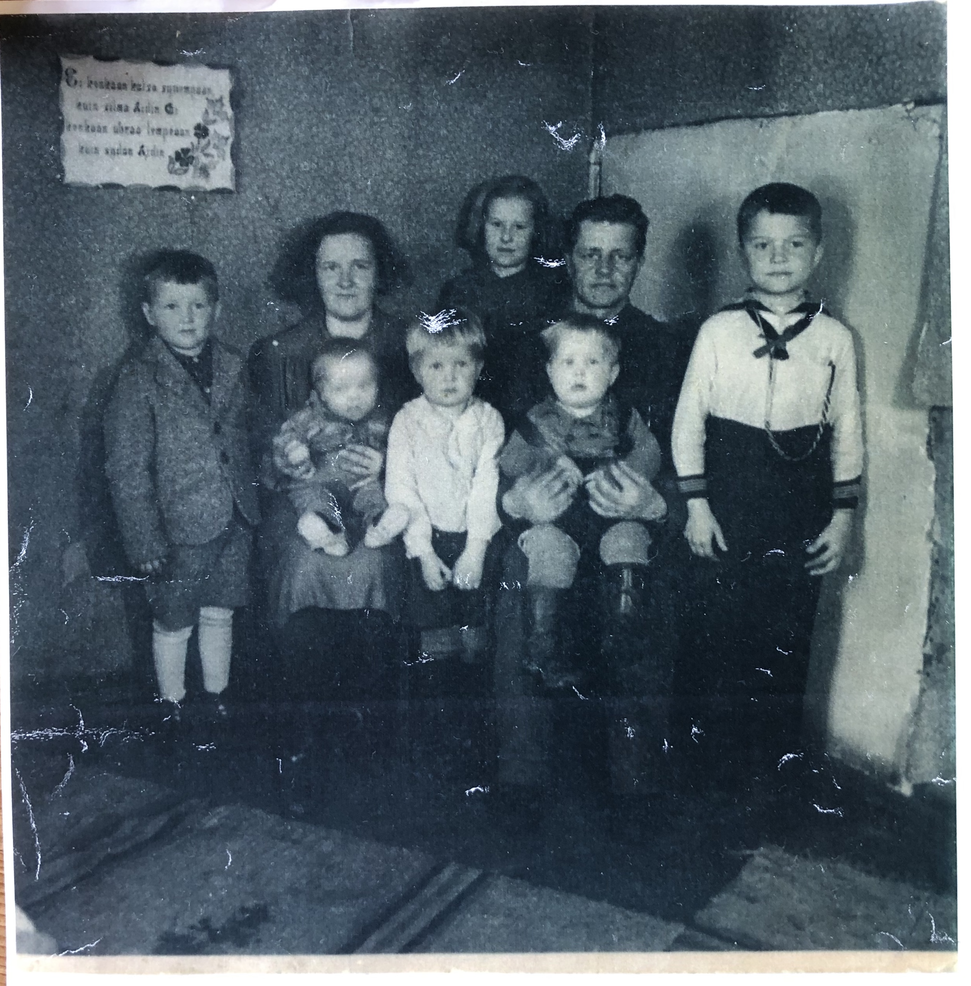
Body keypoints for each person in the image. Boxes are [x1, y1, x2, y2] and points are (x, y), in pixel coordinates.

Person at [492, 195, 692, 831]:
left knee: (644, 590)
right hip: (542, 516)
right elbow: (488, 445)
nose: (604, 269)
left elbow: (688, 452)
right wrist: (513, 503)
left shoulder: (664, 347)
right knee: (522, 576)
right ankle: (521, 778)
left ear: (638, 262)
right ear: (568, 257)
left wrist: (656, 504)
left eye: (620, 256)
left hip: (628, 517)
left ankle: (636, 783)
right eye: (589, 254)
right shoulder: (531, 343)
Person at [671, 182, 863, 824]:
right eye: (762, 245)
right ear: (743, 253)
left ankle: (770, 780)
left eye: (794, 245)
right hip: (729, 499)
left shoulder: (834, 339)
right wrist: (697, 506)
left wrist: (842, 517)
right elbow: (688, 421)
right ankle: (709, 779)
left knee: (785, 640)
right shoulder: (719, 331)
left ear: (818, 253)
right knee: (718, 635)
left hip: (799, 504)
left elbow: (849, 429)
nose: (778, 258)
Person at [248, 214, 410, 808]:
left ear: (379, 273)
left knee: (373, 560)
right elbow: (260, 448)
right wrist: (285, 460)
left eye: (359, 265)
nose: (345, 280)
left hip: (380, 498)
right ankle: (304, 743)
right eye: (330, 267)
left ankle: (369, 742)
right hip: (304, 501)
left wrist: (391, 466)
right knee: (304, 563)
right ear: (311, 275)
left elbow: (439, 422)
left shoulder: (409, 339)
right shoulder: (277, 351)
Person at [104, 251, 260, 733]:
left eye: (198, 305)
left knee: (220, 607)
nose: (187, 318)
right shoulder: (137, 379)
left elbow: (247, 436)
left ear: (216, 309)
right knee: (174, 617)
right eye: (172, 307)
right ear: (149, 314)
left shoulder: (233, 364)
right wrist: (143, 540)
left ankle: (216, 696)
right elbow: (126, 469)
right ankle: (171, 703)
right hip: (177, 529)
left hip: (234, 516)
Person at [498, 314, 667, 689]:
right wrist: (548, 459)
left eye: (592, 362)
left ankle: (625, 632)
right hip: (556, 517)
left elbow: (650, 453)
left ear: (613, 373)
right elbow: (510, 460)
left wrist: (624, 472)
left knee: (629, 541)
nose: (579, 372)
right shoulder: (536, 420)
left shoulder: (623, 417)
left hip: (611, 511)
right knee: (547, 550)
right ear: (550, 371)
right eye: (568, 362)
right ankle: (543, 645)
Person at [384, 311, 505, 663]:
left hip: (478, 537)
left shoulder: (489, 420)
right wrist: (423, 552)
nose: (449, 377)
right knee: (435, 642)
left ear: (478, 368)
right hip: (425, 538)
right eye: (436, 366)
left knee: (475, 640)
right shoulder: (407, 421)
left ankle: (474, 677)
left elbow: (487, 487)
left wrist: (476, 550)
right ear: (417, 371)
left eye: (461, 364)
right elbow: (401, 489)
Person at [268, 341, 410, 606]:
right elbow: (284, 441)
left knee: (372, 493)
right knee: (311, 495)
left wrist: (385, 462)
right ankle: (324, 530)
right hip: (318, 480)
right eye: (341, 389)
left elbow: (402, 450)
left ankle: (380, 525)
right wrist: (294, 452)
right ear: (322, 393)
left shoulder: (384, 420)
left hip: (361, 482)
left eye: (364, 386)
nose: (354, 396)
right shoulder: (308, 418)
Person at [438, 175, 570, 419]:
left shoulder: (552, 292)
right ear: (481, 226)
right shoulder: (458, 291)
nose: (506, 237)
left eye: (519, 227)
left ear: (536, 231)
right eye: (496, 224)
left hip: (533, 418)